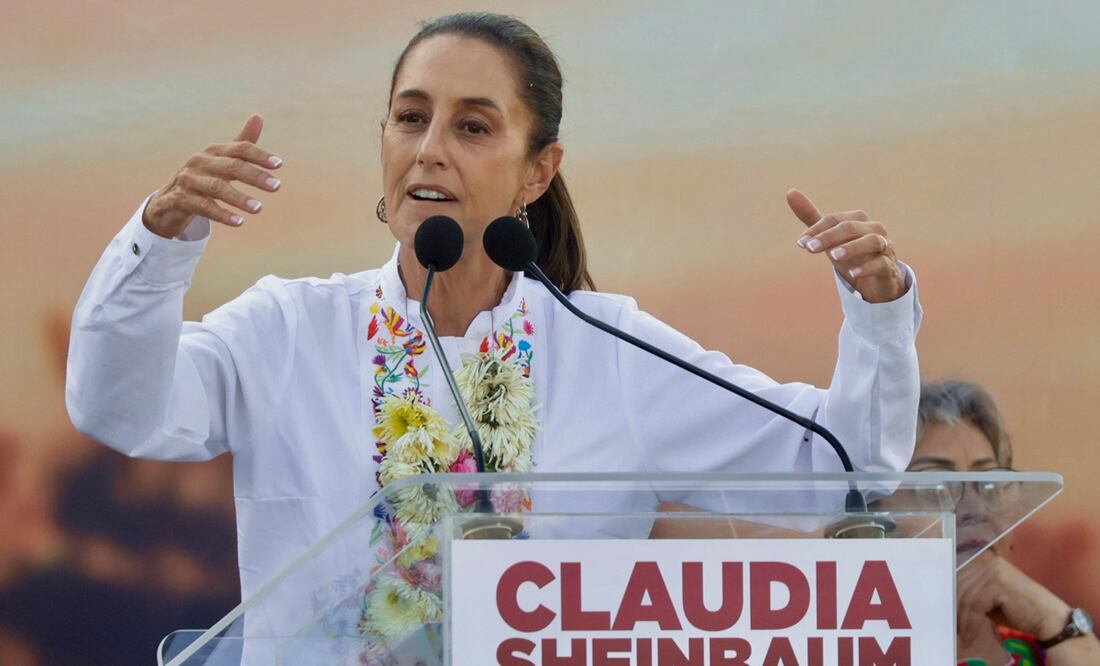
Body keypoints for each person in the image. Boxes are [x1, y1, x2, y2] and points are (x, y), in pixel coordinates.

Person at [66, 11, 922, 637]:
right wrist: (160, 239)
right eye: (411, 117)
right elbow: (120, 408)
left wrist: (878, 310)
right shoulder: (288, 329)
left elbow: (839, 468)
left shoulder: (607, 350)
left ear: (537, 171)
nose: (430, 147)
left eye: (473, 126)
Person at [911, 381, 1100, 665]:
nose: (973, 508)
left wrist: (1056, 624)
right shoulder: (839, 646)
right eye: (937, 484)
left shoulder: (1045, 647)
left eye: (989, 482)